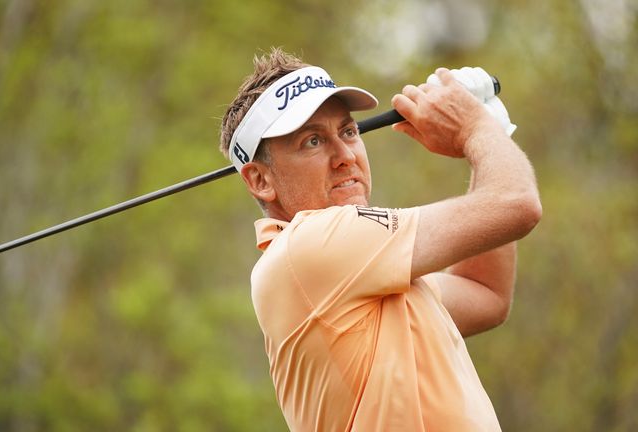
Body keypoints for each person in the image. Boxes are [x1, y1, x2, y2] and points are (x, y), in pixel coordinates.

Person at [219, 48, 541, 431]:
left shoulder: (364, 271)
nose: (344, 156)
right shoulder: (307, 247)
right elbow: (516, 204)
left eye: (348, 132)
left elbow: (484, 293)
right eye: (312, 141)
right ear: (260, 180)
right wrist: (478, 129)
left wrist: (488, 131)